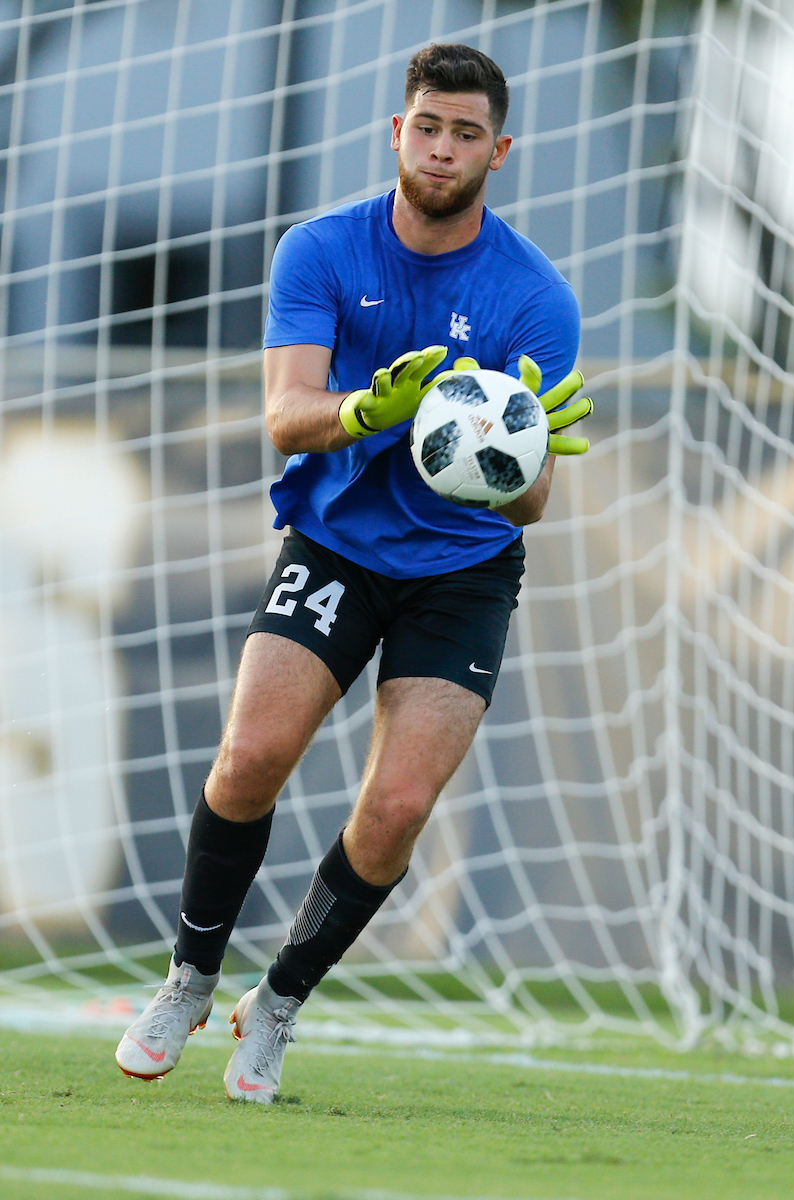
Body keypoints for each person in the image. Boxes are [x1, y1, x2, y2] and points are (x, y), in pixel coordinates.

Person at [115, 41, 592, 1104]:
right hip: (334, 544)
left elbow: (534, 503)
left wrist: (516, 452)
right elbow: (285, 415)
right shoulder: (321, 250)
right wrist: (372, 411)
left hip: (461, 574)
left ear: (497, 151)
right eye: (426, 125)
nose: (441, 148)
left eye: (465, 133)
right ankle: (189, 981)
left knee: (395, 809)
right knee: (248, 756)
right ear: (395, 130)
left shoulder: (534, 298)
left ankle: (276, 1003)